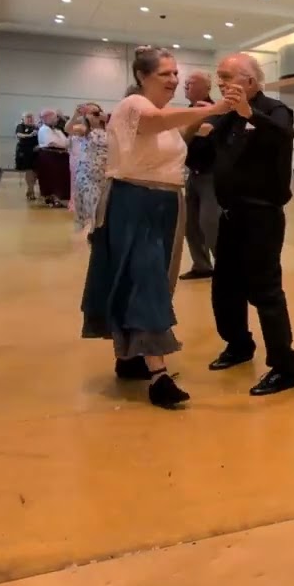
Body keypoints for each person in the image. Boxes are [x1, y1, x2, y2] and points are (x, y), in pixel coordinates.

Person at [81, 46, 236, 408]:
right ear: (142, 77)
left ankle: (130, 356)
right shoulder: (132, 106)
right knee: (146, 279)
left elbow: (169, 141)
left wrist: (200, 120)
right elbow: (151, 124)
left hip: (165, 203)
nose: (174, 79)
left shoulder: (166, 114)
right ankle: (158, 374)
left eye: (175, 73)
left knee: (151, 279)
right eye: (165, 73)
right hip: (134, 202)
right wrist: (213, 108)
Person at [205, 53, 294, 397]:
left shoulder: (274, 109)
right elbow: (201, 158)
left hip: (262, 215)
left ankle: (285, 366)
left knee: (265, 290)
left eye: (226, 76)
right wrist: (198, 125)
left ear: (248, 81)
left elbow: (283, 136)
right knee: (225, 287)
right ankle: (238, 345)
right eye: (218, 76)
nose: (220, 82)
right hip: (230, 214)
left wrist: (251, 115)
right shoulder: (225, 117)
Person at [180, 71, 220, 281]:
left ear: (206, 87)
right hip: (192, 174)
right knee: (190, 224)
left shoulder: (214, 110)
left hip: (211, 175)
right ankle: (202, 264)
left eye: (191, 82)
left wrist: (185, 130)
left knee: (210, 222)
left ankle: (225, 265)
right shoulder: (188, 111)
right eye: (185, 83)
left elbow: (204, 131)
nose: (185, 85)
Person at [66, 103, 109, 236]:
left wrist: (107, 119)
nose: (95, 116)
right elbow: (68, 129)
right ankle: (93, 232)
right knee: (92, 204)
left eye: (97, 113)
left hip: (105, 175)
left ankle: (99, 232)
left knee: (104, 207)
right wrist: (76, 115)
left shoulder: (110, 128)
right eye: (91, 113)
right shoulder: (85, 129)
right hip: (88, 175)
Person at [35, 109, 72, 208]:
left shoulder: (57, 130)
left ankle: (61, 198)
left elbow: (66, 142)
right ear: (48, 118)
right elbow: (52, 142)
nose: (57, 120)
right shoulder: (44, 129)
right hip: (49, 157)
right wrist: (63, 143)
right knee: (51, 178)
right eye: (55, 118)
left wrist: (65, 142)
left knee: (61, 179)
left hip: (60, 157)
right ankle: (52, 198)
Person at [14, 112, 40, 201]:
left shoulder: (36, 127)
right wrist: (29, 135)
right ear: (23, 119)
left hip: (36, 152)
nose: (30, 119)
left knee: (36, 171)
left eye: (31, 117)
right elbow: (19, 134)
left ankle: (31, 188)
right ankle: (31, 190)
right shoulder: (21, 126)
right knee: (29, 170)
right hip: (25, 152)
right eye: (28, 117)